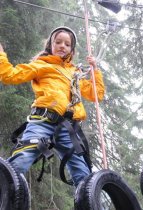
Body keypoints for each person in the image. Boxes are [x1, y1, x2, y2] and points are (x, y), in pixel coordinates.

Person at [0, 26, 105, 187]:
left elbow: (96, 94)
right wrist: (1, 55)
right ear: (51, 45)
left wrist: (95, 71)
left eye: (67, 44)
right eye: (58, 42)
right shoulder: (42, 65)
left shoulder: (75, 73)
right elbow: (10, 76)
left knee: (84, 176)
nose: (62, 46)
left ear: (72, 49)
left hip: (68, 127)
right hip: (43, 120)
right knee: (22, 159)